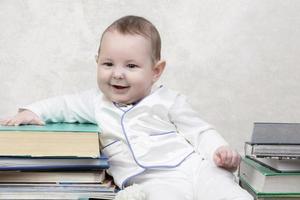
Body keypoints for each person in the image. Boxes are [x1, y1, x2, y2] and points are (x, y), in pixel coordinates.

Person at [0, 15, 252, 200]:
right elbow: (63, 105)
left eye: (131, 66)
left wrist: (220, 150)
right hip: (153, 180)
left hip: (196, 166)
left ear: (156, 71)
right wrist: (33, 112)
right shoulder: (95, 103)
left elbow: (200, 130)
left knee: (227, 193)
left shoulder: (168, 100)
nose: (117, 75)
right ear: (97, 62)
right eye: (108, 64)